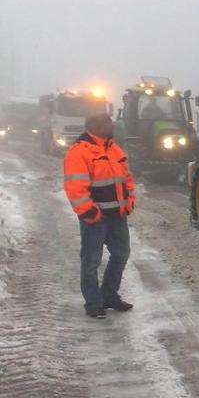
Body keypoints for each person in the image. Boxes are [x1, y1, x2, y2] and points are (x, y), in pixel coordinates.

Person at [63, 113, 136, 319]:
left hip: (117, 216)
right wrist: (88, 212)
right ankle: (94, 303)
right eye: (107, 123)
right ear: (93, 126)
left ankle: (109, 296)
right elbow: (75, 186)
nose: (111, 125)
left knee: (121, 254)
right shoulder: (80, 151)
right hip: (96, 218)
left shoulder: (114, 148)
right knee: (91, 261)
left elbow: (126, 178)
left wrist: (130, 200)